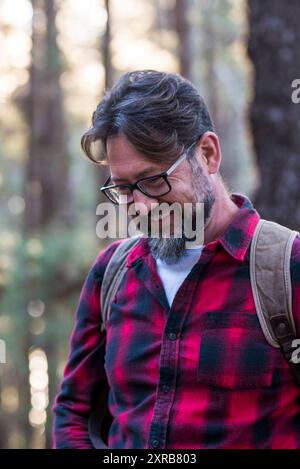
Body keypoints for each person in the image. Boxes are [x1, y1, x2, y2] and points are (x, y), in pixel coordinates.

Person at [52, 70, 300, 449]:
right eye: (124, 189)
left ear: (208, 154)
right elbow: (74, 411)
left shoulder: (287, 267)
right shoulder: (111, 273)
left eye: (155, 181)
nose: (143, 206)